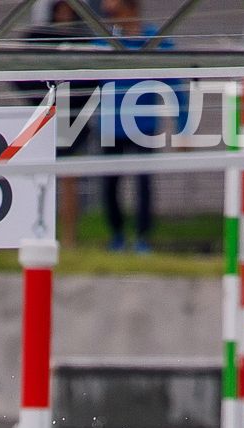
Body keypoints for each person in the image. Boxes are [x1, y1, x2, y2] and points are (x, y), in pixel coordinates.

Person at [93, 0, 178, 250]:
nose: (110, 17)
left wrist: (182, 126)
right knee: (109, 184)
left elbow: (175, 81)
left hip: (143, 123)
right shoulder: (104, 42)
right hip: (110, 125)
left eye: (115, 11)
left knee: (144, 183)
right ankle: (116, 235)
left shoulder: (153, 39)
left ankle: (142, 237)